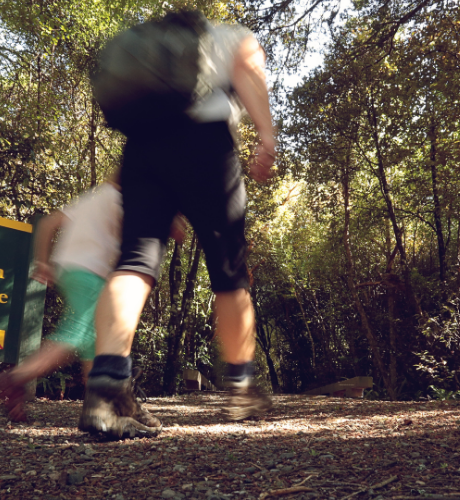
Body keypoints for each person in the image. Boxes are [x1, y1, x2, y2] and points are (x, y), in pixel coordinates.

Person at [79, 12, 278, 439]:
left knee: (133, 261)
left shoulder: (155, 59)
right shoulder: (232, 36)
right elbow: (247, 67)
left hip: (142, 150)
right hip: (206, 145)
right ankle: (242, 386)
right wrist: (266, 134)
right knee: (229, 271)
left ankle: (107, 389)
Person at [0, 176, 161, 430]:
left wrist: (43, 261)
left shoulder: (91, 198)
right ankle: (15, 377)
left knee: (94, 339)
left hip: (68, 270)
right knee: (79, 330)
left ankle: (102, 407)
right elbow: (135, 242)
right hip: (92, 273)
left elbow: (48, 223)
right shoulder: (122, 200)